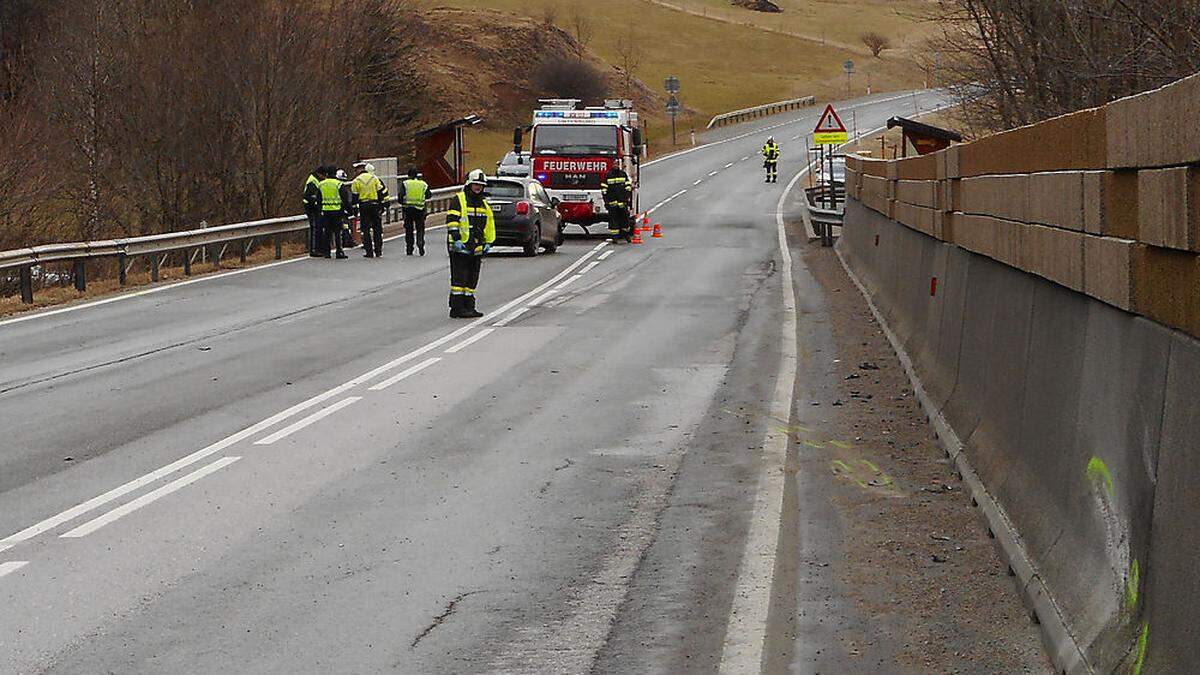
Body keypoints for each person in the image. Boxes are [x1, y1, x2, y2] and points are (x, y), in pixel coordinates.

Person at [446, 169, 495, 318]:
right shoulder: (459, 199)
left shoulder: (484, 204)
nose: (478, 187)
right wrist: (457, 239)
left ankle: (469, 306)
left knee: (472, 279)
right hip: (460, 247)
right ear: (469, 184)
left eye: (480, 185)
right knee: (459, 279)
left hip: (476, 247)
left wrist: (489, 242)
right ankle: (457, 308)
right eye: (475, 184)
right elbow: (452, 221)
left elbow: (489, 225)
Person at [352, 163, 389, 258]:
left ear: (358, 171)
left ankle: (369, 251)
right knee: (377, 228)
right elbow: (381, 192)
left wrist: (354, 210)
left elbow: (354, 198)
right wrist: (383, 205)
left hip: (364, 206)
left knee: (366, 229)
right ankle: (378, 250)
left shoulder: (356, 181)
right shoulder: (374, 178)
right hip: (375, 205)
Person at [317, 170, 348, 259]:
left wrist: (320, 210)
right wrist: (349, 210)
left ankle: (327, 252)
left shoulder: (321, 184)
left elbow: (318, 199)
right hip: (337, 211)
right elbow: (344, 198)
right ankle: (339, 251)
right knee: (338, 232)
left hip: (325, 211)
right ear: (335, 174)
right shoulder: (338, 184)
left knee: (327, 232)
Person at [401, 167, 431, 256]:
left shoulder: (405, 184)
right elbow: (429, 195)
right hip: (420, 210)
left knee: (409, 230)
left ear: (408, 175)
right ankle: (420, 242)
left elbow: (400, 196)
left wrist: (403, 203)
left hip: (408, 210)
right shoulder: (423, 184)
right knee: (420, 228)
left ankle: (409, 248)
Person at [601, 166, 633, 242]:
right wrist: (626, 199)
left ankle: (618, 236)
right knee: (622, 220)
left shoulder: (608, 175)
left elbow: (604, 191)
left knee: (616, 220)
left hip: (614, 203)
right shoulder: (622, 174)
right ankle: (623, 236)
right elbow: (628, 188)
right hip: (620, 203)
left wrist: (607, 201)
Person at [304, 167, 325, 256]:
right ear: (320, 174)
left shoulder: (316, 180)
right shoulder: (312, 181)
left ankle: (319, 248)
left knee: (318, 228)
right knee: (315, 228)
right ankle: (313, 250)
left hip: (315, 208)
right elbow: (309, 196)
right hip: (311, 208)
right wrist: (317, 203)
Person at [336, 168, 357, 250]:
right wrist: (350, 210)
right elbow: (345, 200)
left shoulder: (328, 184)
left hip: (329, 209)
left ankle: (346, 241)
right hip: (339, 209)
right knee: (344, 226)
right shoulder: (340, 187)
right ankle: (346, 241)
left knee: (343, 226)